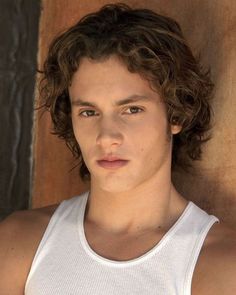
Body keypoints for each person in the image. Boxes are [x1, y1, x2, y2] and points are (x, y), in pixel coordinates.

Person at [0, 3, 235, 294]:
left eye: (132, 109)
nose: (106, 137)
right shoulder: (20, 241)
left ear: (175, 115)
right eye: (89, 112)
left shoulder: (221, 265)